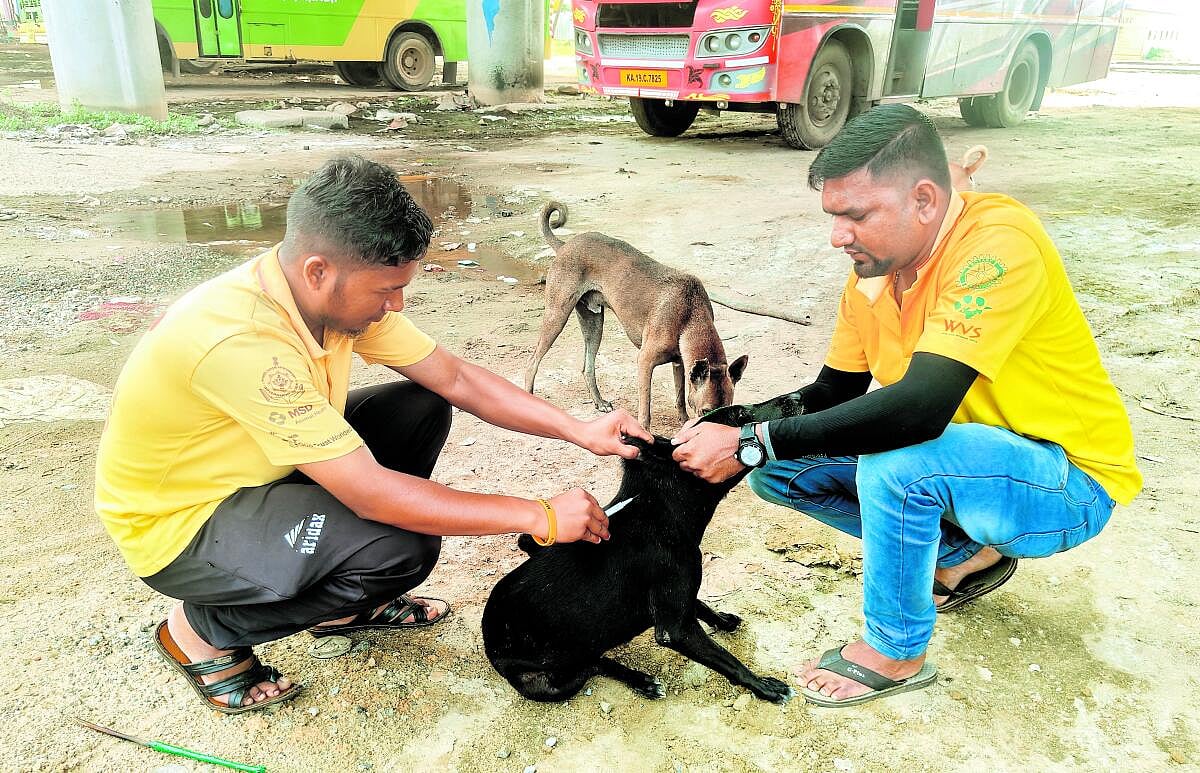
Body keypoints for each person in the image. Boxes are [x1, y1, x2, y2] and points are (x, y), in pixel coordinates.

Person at [95, 155, 651, 714]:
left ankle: (340, 606)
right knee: (399, 548)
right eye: (386, 289)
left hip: (259, 474)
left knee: (420, 406)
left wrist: (578, 429)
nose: (396, 304)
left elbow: (456, 378)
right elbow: (371, 494)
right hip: (182, 525)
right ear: (318, 271)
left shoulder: (321, 300)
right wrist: (540, 516)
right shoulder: (242, 341)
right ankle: (201, 631)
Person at [670, 104, 1141, 708]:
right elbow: (832, 392)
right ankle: (962, 556)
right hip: (966, 467)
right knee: (779, 470)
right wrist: (726, 426)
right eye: (833, 216)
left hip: (1066, 483)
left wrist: (750, 443)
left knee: (895, 464)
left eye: (856, 216)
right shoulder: (874, 274)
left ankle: (896, 651)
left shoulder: (998, 247)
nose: (838, 236)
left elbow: (920, 410)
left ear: (923, 200)